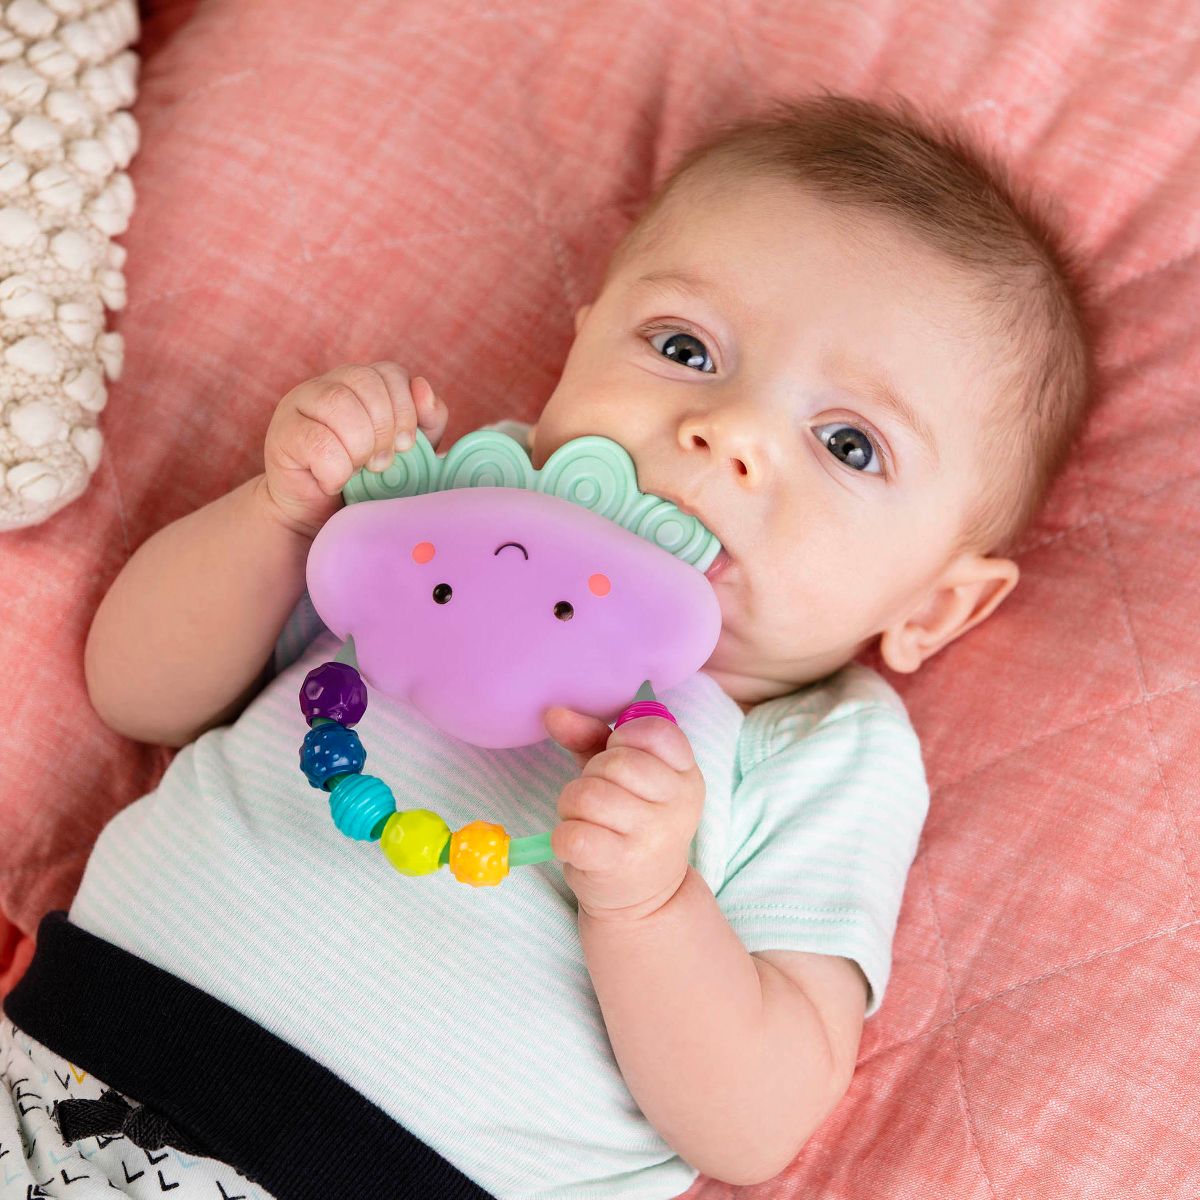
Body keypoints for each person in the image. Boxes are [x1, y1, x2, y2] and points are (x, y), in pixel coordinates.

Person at [1, 92, 1093, 1199]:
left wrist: (653, 906)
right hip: (72, 1061)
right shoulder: (443, 510)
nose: (734, 434)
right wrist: (281, 517)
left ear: (937, 608)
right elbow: (136, 690)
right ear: (577, 349)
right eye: (684, 347)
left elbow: (756, 1123)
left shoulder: (823, 747)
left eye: (850, 445)